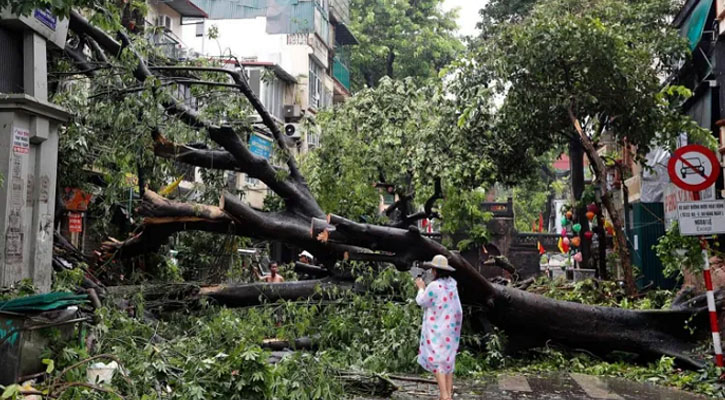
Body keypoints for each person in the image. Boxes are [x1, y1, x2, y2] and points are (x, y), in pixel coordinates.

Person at [415, 255, 463, 400]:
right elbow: (458, 308)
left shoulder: (434, 286)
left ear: (435, 270)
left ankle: (444, 396)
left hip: (437, 329)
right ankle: (448, 394)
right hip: (451, 329)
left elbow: (422, 302)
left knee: (437, 361)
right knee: (448, 361)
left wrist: (420, 288)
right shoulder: (452, 284)